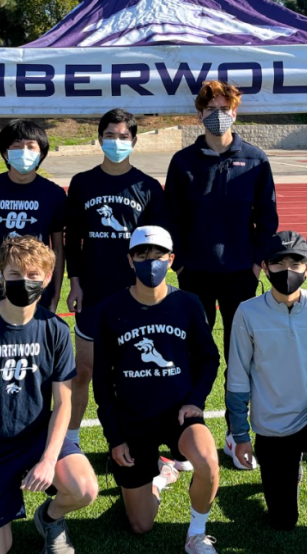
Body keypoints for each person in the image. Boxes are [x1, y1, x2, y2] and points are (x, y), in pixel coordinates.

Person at [0, 236, 99, 554]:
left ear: (46, 278)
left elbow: (64, 403)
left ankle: (50, 517)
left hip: (36, 440)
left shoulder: (55, 329)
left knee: (84, 488)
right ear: (0, 275)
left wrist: (46, 460)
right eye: (15, 274)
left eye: (33, 276)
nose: (24, 282)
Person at [164, 80, 278, 467]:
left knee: (240, 356)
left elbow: (267, 218)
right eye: (210, 107)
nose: (218, 113)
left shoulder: (256, 159)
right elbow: (171, 217)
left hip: (239, 277)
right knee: (189, 354)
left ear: (235, 110)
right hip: (193, 273)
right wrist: (178, 262)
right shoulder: (183, 162)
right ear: (199, 113)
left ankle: (236, 434)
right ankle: (182, 432)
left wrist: (256, 261)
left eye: (225, 106)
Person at [93, 226, 221, 554]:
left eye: (158, 255)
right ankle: (161, 476)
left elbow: (209, 358)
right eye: (142, 254)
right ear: (130, 259)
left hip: (178, 415)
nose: (151, 261)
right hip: (133, 421)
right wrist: (114, 437)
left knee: (207, 460)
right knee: (140, 525)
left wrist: (194, 400)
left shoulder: (188, 304)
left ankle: (196, 534)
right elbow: (102, 380)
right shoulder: (110, 310)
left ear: (171, 258)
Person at [226, 231, 307, 554]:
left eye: (295, 261)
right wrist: (240, 433)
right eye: (278, 262)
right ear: (265, 268)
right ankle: (287, 469)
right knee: (282, 521)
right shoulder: (248, 312)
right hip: (272, 425)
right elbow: (238, 377)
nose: (287, 269)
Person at [64, 109, 167, 448]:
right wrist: (74, 281)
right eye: (111, 135)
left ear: (134, 141)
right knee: (83, 371)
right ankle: (71, 440)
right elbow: (73, 239)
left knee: (129, 373)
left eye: (124, 136)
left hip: (132, 294)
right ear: (99, 138)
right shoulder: (82, 183)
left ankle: (128, 438)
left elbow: (156, 247)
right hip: (93, 290)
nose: (117, 141)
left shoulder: (148, 187)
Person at [0, 120, 66, 312]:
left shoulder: (54, 194)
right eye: (17, 147)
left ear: (41, 153)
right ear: (5, 153)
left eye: (30, 146)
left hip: (37, 290)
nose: (24, 152)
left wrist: (55, 293)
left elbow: (58, 247)